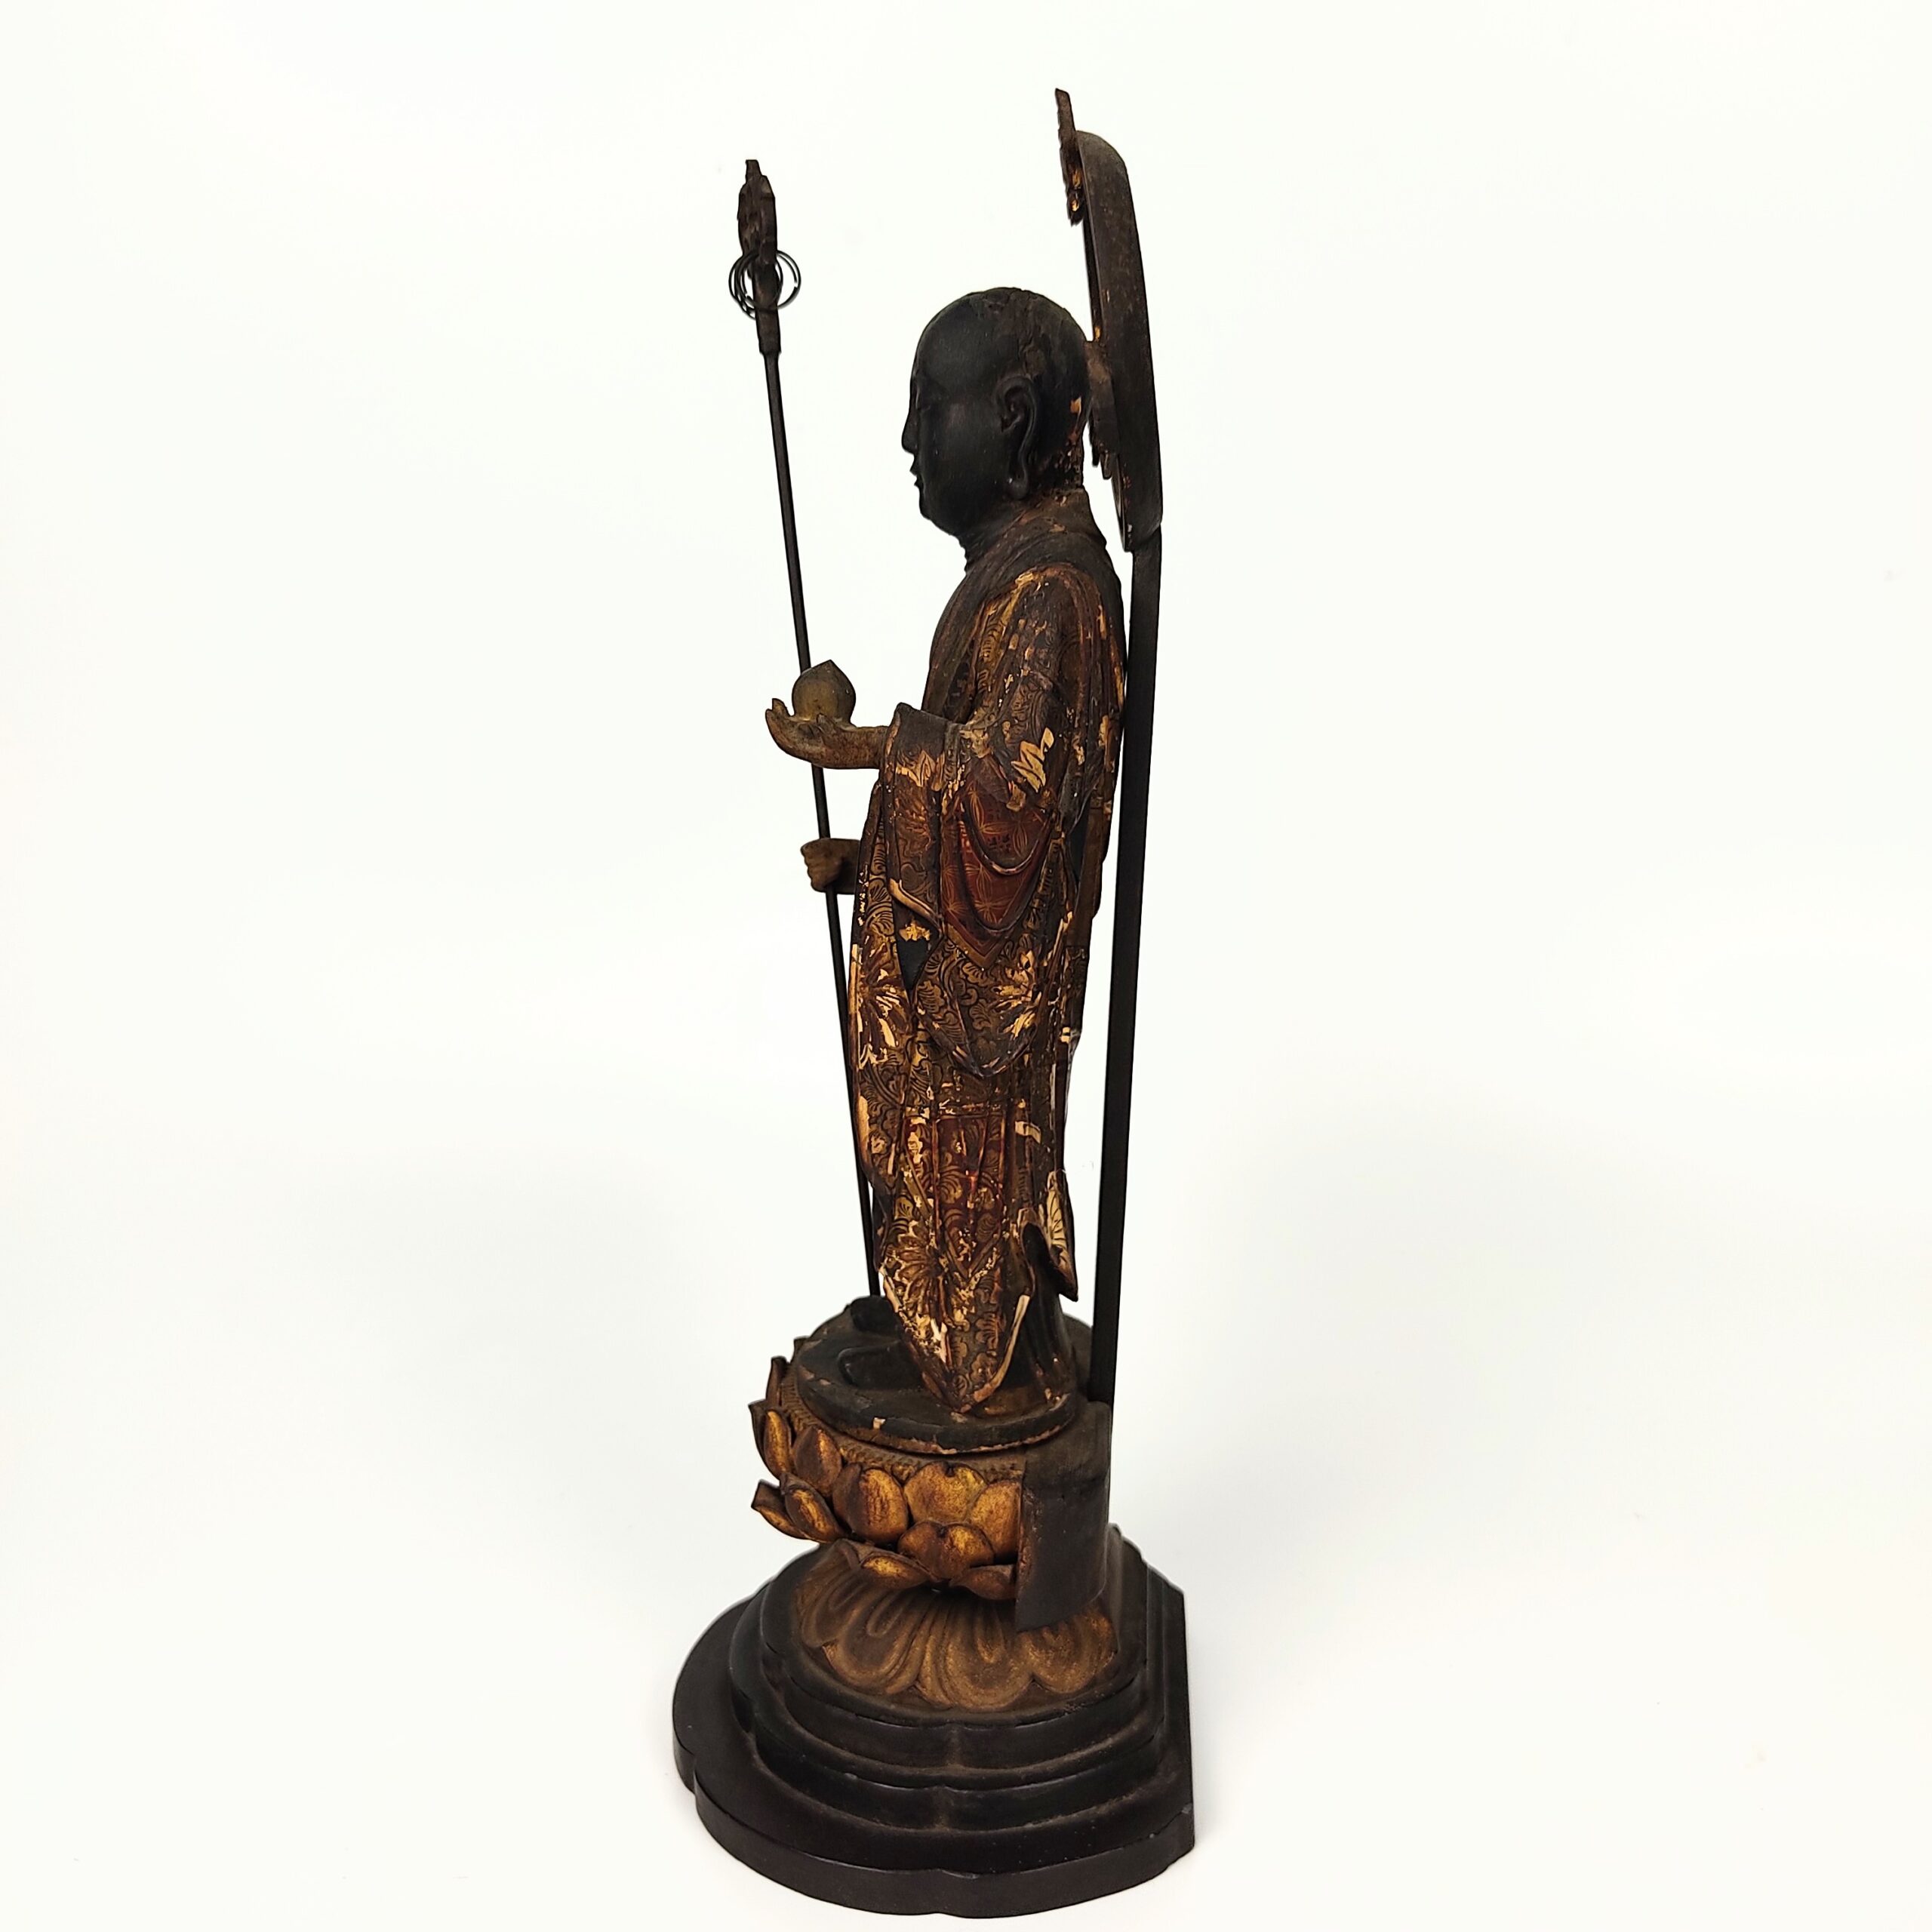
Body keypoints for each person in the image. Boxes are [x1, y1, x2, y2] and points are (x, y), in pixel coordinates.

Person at [765, 288, 1124, 1414]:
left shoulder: (1055, 593)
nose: (909, 440)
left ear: (1010, 417)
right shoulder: (1006, 580)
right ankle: (954, 1372)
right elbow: (969, 800)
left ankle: (986, 1391)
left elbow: (1010, 804)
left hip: (988, 1039)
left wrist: (868, 748)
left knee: (969, 1220)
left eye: (929, 408)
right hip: (958, 996)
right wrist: (876, 861)